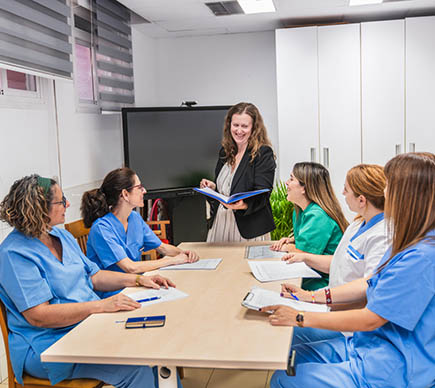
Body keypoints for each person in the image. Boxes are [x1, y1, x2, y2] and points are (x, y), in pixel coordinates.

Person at [263, 152, 435, 388]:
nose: (384, 194)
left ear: (408, 196)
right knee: (289, 356)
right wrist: (309, 297)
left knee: (283, 379)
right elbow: (370, 282)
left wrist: (301, 316)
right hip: (368, 346)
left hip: (389, 367)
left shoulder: (421, 256)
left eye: (390, 187)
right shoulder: (408, 242)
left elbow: (371, 318)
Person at [0, 175, 180, 388]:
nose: (68, 204)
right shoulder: (14, 253)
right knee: (136, 366)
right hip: (48, 346)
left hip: (86, 327)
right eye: (61, 201)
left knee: (154, 350)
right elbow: (39, 316)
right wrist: (101, 306)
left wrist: (139, 279)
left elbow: (94, 276)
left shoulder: (60, 236)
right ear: (39, 209)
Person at [282, 164, 389, 346]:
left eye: (346, 190)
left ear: (362, 200)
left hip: (346, 323)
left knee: (285, 334)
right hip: (331, 304)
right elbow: (339, 263)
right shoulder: (359, 223)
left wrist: (313, 300)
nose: (342, 193)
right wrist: (305, 257)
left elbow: (368, 291)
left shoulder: (383, 236)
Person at [81, 168, 199, 296]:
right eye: (139, 187)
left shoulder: (135, 218)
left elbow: (162, 248)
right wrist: (172, 260)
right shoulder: (102, 228)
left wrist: (184, 254)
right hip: (113, 294)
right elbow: (130, 267)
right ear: (125, 194)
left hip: (138, 285)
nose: (144, 191)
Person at [200, 102, 276, 242]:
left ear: (254, 128)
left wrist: (243, 205)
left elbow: (263, 193)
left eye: (244, 126)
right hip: (220, 223)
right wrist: (212, 187)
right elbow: (225, 188)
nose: (239, 130)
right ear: (229, 125)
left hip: (248, 228)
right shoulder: (225, 152)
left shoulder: (262, 153)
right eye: (236, 125)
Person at [270, 162, 348, 290]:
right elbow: (308, 244)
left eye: (291, 179)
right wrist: (293, 240)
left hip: (322, 281)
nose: (287, 183)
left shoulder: (318, 215)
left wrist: (287, 247)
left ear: (304, 188)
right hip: (308, 273)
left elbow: (304, 254)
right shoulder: (300, 211)